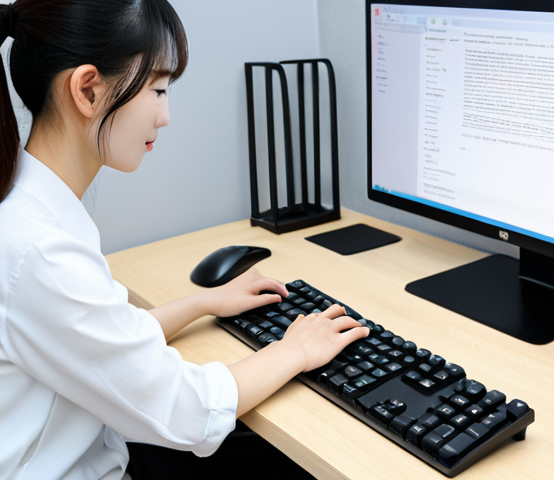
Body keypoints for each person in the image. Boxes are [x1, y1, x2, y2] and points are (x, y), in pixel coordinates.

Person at [0, 1, 369, 479]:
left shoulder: (32, 211)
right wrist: (294, 348)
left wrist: (203, 303)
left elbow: (100, 340)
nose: (166, 115)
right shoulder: (39, 252)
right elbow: (188, 411)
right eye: (157, 89)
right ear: (88, 90)